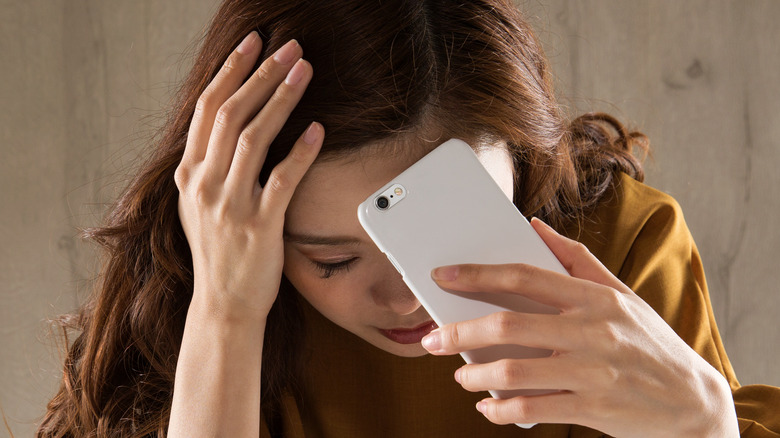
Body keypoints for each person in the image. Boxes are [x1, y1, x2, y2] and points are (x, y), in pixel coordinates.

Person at [37, 0, 780, 436]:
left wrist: (703, 426)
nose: (407, 300)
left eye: (443, 230)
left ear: (523, 167)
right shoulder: (196, 300)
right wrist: (226, 315)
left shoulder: (623, 245)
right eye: (330, 260)